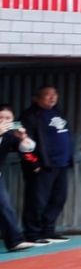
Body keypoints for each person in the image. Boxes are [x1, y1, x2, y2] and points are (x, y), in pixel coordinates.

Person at [24, 86, 74, 243]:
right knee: (37, 201)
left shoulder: (58, 113)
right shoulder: (30, 116)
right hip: (43, 166)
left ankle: (48, 230)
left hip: (62, 164)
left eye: (54, 94)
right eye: (47, 94)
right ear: (36, 98)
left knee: (58, 199)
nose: (52, 97)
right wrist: (34, 164)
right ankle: (33, 234)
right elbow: (23, 144)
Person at [0, 106, 30, 251]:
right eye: (0, 118)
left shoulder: (10, 135)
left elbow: (28, 150)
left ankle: (14, 241)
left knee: (5, 206)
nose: (4, 121)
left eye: (8, 119)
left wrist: (23, 138)